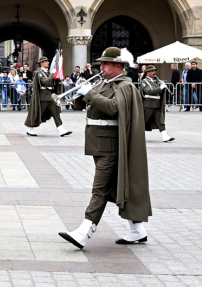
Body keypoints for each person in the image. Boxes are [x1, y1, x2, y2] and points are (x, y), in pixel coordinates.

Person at [59, 47, 151, 248]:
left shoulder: (124, 85)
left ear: (118, 66)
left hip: (111, 146)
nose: (101, 67)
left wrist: (90, 93)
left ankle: (84, 232)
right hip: (98, 144)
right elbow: (79, 106)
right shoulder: (104, 83)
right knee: (113, 187)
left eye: (105, 64)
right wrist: (80, 92)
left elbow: (113, 108)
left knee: (99, 189)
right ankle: (137, 230)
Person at [25, 57, 71, 137]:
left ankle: (61, 129)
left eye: (47, 61)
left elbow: (52, 82)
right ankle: (30, 128)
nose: (48, 63)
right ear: (41, 63)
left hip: (50, 96)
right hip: (44, 96)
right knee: (38, 113)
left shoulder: (47, 73)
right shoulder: (39, 73)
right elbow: (46, 82)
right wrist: (53, 74)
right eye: (46, 61)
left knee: (56, 113)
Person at [139, 66, 173, 142]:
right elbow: (149, 91)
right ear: (148, 72)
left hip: (157, 104)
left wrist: (163, 87)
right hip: (148, 105)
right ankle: (135, 136)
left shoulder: (156, 81)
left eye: (154, 71)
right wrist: (160, 88)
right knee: (143, 121)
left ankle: (165, 136)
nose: (154, 72)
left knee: (160, 121)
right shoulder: (144, 81)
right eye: (152, 71)